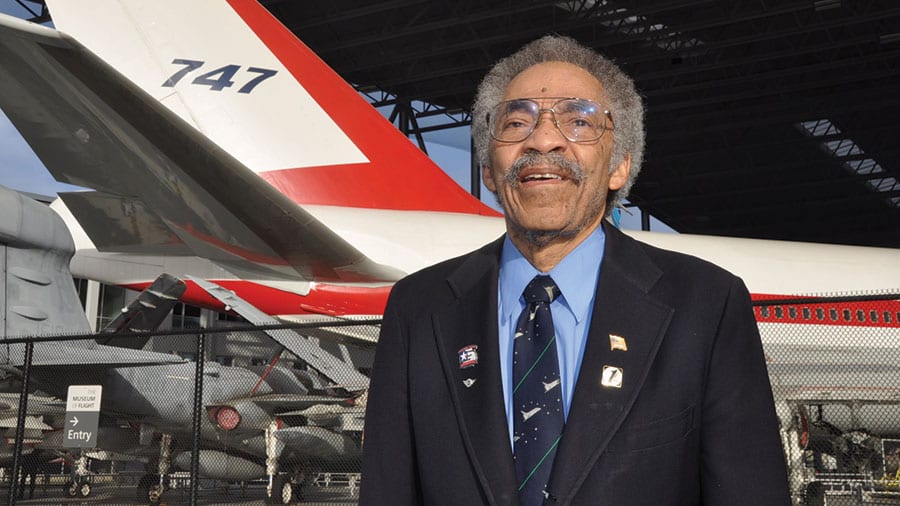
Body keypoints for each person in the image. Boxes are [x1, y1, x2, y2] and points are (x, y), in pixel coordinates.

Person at [359, 35, 791, 505]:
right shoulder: (419, 310)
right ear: (488, 168)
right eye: (517, 121)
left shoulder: (707, 305)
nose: (544, 140)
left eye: (579, 122)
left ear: (620, 167)